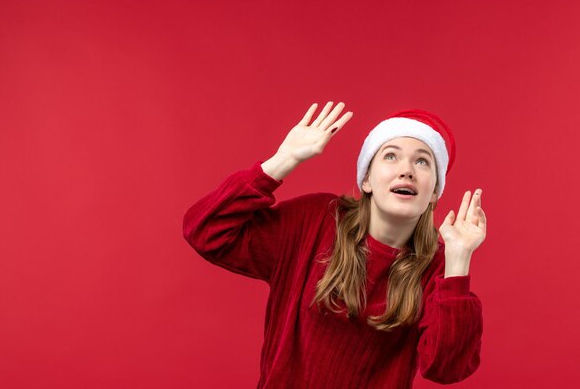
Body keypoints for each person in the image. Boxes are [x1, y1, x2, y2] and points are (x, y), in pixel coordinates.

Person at [183, 101, 486, 389]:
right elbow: (206, 230)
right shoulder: (317, 221)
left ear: (434, 192)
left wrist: (458, 262)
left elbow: (447, 368)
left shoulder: (438, 268)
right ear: (366, 180)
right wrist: (284, 159)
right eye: (391, 156)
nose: (406, 169)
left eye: (422, 161)